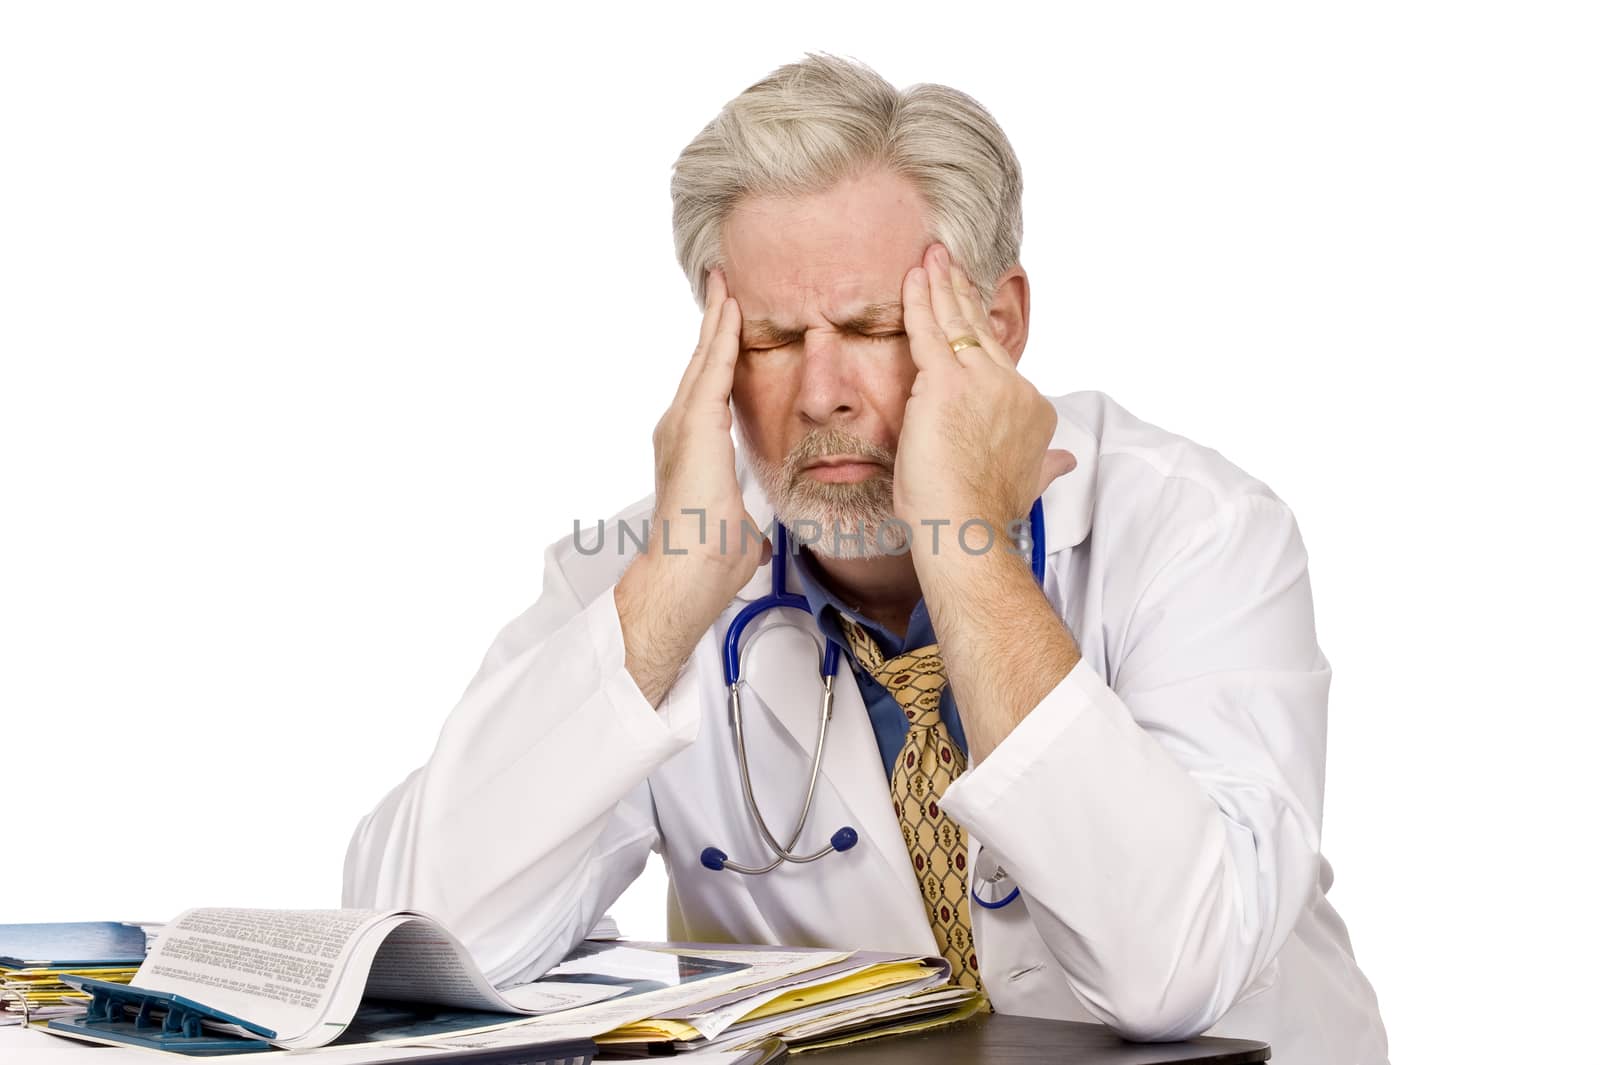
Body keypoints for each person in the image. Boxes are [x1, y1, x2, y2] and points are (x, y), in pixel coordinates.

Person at [342, 53, 1388, 1064]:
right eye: (769, 339)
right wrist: (667, 592)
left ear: (999, 322)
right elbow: (418, 953)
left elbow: (1175, 973)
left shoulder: (1195, 533)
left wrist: (967, 543)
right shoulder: (641, 574)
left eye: (875, 326)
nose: (821, 392)